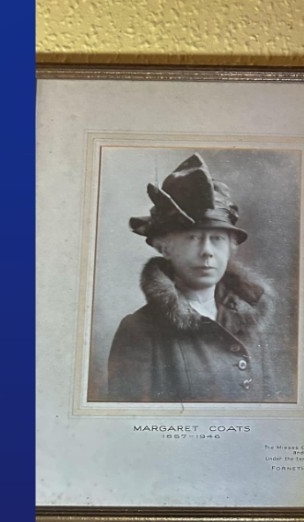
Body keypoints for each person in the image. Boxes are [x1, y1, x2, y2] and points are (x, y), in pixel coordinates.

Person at [106, 153, 280, 402]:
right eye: (192, 238)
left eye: (217, 239)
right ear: (166, 248)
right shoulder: (140, 330)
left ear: (230, 248)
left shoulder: (248, 323)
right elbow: (130, 425)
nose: (207, 250)